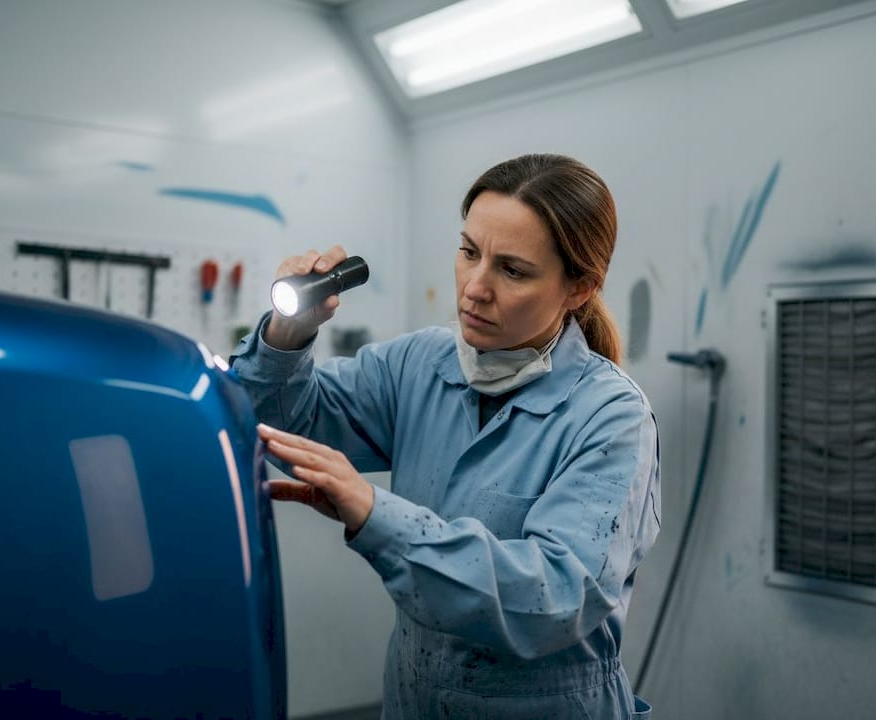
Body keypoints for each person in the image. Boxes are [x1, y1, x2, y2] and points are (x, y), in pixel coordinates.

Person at [230, 154, 660, 719]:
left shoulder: (610, 416)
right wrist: (289, 331)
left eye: (512, 270)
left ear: (578, 288)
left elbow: (554, 598)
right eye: (469, 252)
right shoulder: (419, 362)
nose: (474, 288)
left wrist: (374, 514)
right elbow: (281, 421)